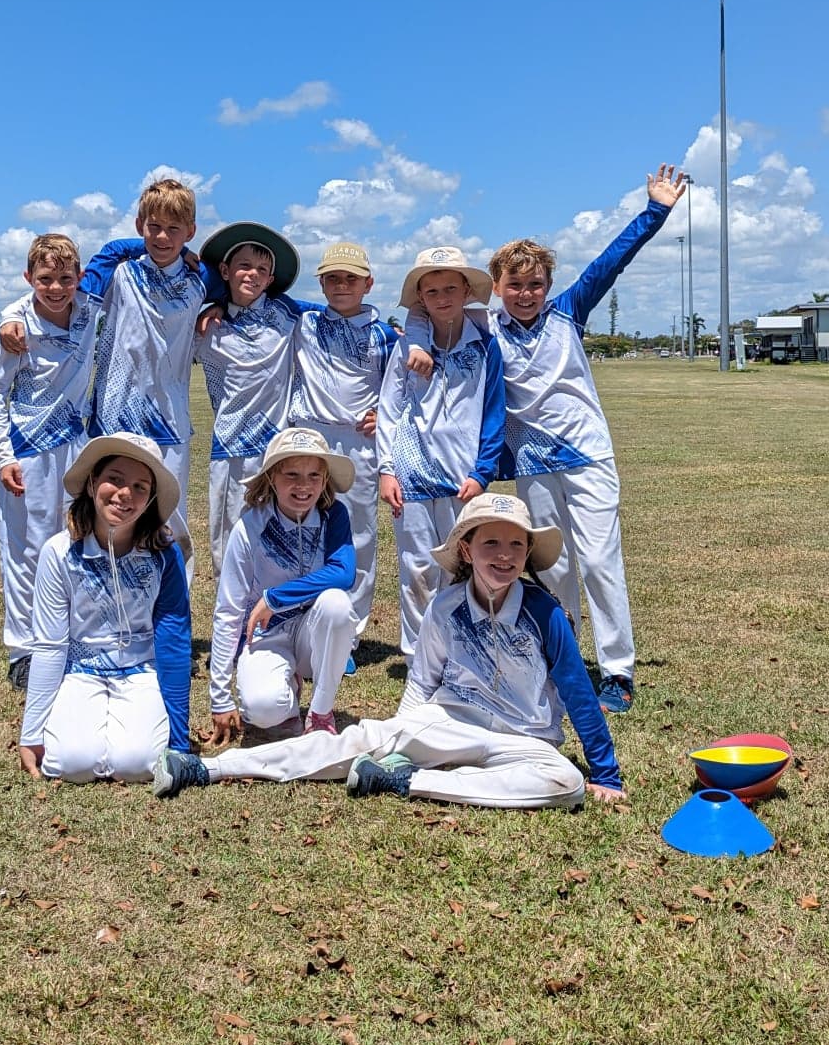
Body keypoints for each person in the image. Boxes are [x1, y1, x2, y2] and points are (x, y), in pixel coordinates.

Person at [408, 166, 688, 713]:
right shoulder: (487, 326)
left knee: (601, 560)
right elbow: (424, 309)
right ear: (498, 286)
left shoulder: (569, 314)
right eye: (515, 285)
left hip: (587, 455)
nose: (526, 293)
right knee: (554, 567)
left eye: (535, 284)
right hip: (535, 462)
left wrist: (655, 211)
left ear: (548, 285)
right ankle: (563, 659)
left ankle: (617, 670)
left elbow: (612, 261)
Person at [154, 492, 623, 809]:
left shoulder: (544, 613)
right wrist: (403, 730)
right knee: (352, 744)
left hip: (526, 740)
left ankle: (405, 781)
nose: (504, 555)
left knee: (567, 783)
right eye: (491, 543)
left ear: (527, 553)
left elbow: (577, 692)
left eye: (516, 545)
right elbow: (423, 680)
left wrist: (606, 772)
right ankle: (209, 770)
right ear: (466, 550)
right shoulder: (445, 606)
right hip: (449, 722)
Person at [0, 177, 206, 559]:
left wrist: (219, 306)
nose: (162, 237)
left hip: (171, 425)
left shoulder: (201, 280)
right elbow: (59, 294)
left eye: (174, 229)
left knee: (169, 527)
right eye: (153, 227)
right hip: (112, 422)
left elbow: (246, 290)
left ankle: (171, 613)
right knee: (106, 523)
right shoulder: (116, 270)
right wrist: (10, 314)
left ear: (190, 231)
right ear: (139, 226)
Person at [19, 435, 192, 784]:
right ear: (93, 482)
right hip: (81, 668)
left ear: (151, 499)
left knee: (138, 764)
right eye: (115, 478)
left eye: (140, 486)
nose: (125, 494)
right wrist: (32, 732)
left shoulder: (164, 553)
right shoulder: (59, 552)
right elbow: (51, 644)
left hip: (142, 669)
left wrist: (179, 739)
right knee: (70, 764)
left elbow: (173, 638)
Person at [0, 234, 99, 689]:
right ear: (29, 279)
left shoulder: (90, 311)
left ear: (79, 279)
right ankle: (23, 651)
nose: (55, 289)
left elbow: (126, 256)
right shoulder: (19, 329)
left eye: (65, 279)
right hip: (27, 450)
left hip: (75, 446)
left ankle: (68, 640)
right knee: (24, 551)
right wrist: (3, 456)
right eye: (45, 279)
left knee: (74, 543)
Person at [376, 245, 504, 657]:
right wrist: (386, 469)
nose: (443, 298)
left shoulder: (486, 344)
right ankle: (417, 656)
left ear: (467, 290)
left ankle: (460, 652)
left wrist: (482, 472)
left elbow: (492, 412)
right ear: (420, 299)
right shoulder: (406, 348)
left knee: (463, 567)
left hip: (462, 477)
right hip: (411, 474)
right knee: (416, 570)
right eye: (431, 292)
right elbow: (390, 410)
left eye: (451, 287)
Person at [205, 426, 358, 743]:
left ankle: (320, 712)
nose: (304, 486)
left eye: (315, 475)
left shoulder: (334, 515)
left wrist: (274, 597)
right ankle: (287, 696)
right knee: (263, 709)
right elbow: (229, 609)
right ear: (272, 477)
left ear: (325, 479)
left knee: (337, 605)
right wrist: (220, 695)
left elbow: (343, 573)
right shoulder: (250, 525)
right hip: (267, 632)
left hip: (313, 631)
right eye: (291, 475)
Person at [285, 241, 398, 639]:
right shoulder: (305, 320)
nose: (341, 286)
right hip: (311, 437)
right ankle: (303, 618)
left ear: (368, 283)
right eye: (332, 278)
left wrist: (384, 414)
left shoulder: (386, 336)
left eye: (350, 278)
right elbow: (253, 294)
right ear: (321, 282)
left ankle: (347, 631)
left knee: (358, 535)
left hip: (358, 442)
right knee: (303, 525)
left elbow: (404, 390)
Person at [193, 221, 303, 577]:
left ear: (271, 279)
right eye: (243, 265)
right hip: (228, 450)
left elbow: (340, 312)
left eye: (262, 270)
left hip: (275, 451)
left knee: (278, 540)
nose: (252, 275)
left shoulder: (289, 315)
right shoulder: (207, 327)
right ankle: (231, 625)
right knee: (227, 540)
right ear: (225, 270)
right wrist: (219, 303)